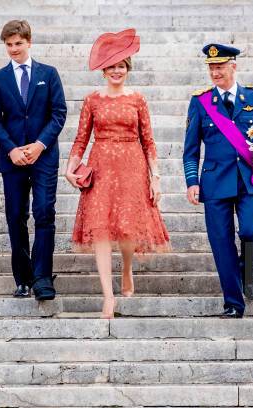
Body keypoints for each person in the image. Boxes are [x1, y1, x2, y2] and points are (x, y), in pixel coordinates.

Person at [65, 28, 170, 319]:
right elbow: (80, 138)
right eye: (111, 66)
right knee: (100, 229)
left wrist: (156, 177)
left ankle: (126, 269)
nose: (116, 71)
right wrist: (70, 166)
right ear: (103, 70)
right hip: (100, 169)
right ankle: (108, 296)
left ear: (128, 69)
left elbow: (148, 141)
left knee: (126, 229)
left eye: (121, 66)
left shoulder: (137, 99)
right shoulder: (92, 100)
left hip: (132, 167)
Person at [183, 43, 253, 318]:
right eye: (211, 67)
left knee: (251, 230)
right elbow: (190, 150)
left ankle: (247, 272)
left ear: (233, 66)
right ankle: (234, 303)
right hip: (214, 183)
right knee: (221, 242)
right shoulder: (200, 102)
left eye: (220, 66)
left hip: (249, 178)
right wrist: (192, 182)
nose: (215, 72)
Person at [0, 20, 67, 300]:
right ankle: (22, 277)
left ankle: (43, 277)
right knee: (16, 215)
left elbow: (59, 113)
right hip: (13, 159)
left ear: (29, 42)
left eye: (18, 43)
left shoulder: (49, 73)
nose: (13, 49)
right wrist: (11, 149)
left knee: (45, 212)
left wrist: (40, 144)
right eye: (8, 45)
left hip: (43, 156)